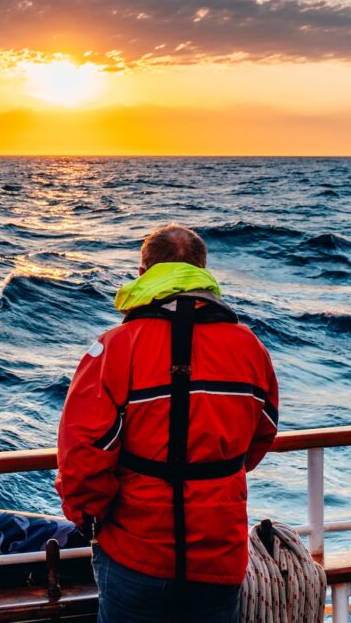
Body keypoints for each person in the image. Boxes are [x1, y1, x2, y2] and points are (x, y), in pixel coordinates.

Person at [56, 224, 279, 622]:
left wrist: (89, 517)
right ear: (203, 272)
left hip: (135, 553)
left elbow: (81, 454)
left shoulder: (115, 348)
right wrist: (212, 481)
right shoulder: (250, 348)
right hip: (220, 552)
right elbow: (262, 435)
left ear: (143, 274)